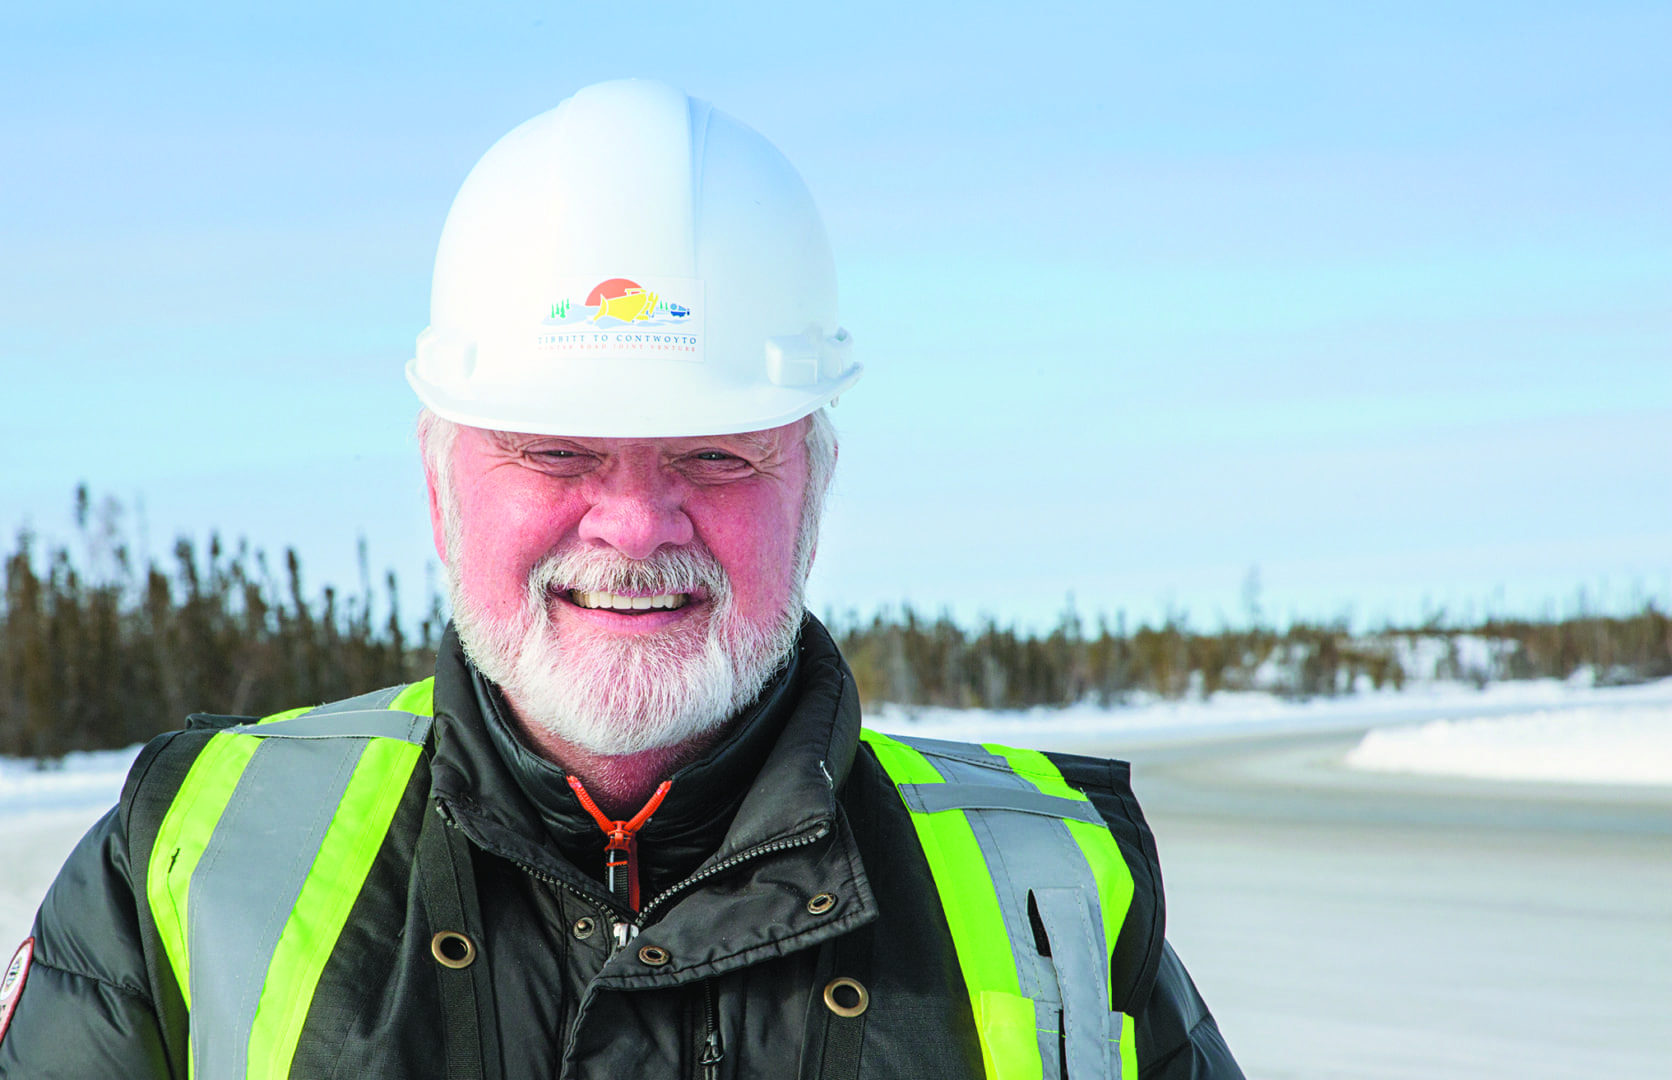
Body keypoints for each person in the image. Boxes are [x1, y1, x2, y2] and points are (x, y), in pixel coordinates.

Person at [0, 79, 1242, 1079]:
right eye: (555, 448)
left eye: (715, 453)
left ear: (811, 483)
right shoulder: (193, 863)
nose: (637, 525)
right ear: (441, 482)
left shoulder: (1054, 890)